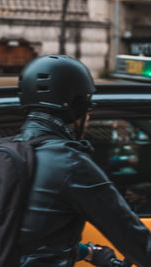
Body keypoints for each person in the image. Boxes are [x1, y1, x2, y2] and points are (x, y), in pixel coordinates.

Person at [14, 55, 151, 266]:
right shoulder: (69, 163)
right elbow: (138, 243)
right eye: (89, 107)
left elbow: (24, 235)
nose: (88, 117)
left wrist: (86, 252)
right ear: (76, 107)